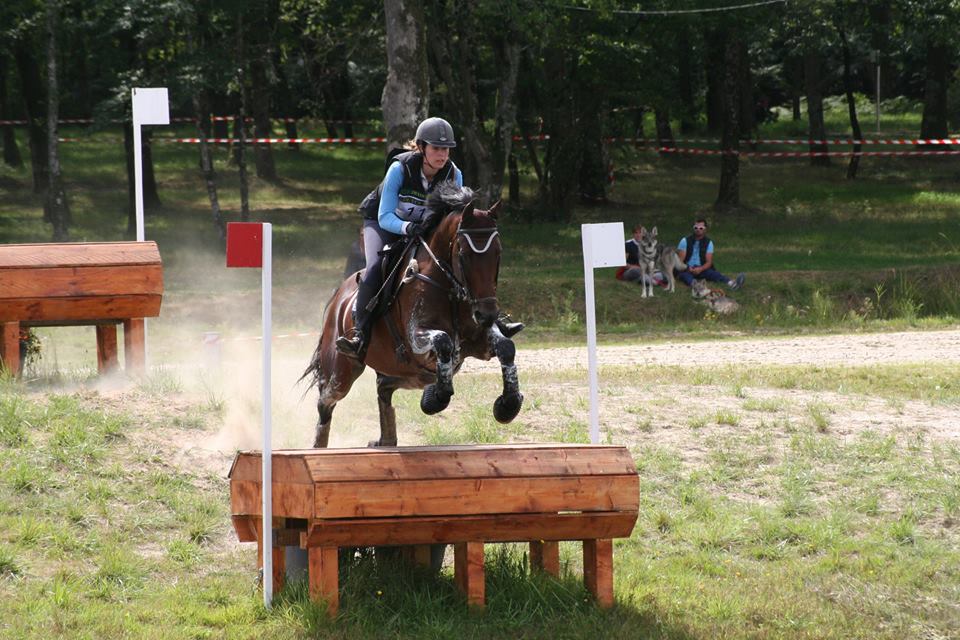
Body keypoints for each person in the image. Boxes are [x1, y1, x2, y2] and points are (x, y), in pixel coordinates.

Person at [336, 117, 522, 359]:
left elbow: (452, 219)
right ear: (421, 147)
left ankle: (490, 322)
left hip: (422, 228)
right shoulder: (400, 169)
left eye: (446, 149)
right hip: (383, 224)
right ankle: (359, 335)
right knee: (374, 268)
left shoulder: (453, 174)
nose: (442, 154)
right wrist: (407, 228)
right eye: (436, 148)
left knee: (461, 266)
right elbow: (385, 216)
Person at [676, 218, 745, 290]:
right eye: (696, 227)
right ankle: (696, 286)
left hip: (701, 268)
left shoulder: (709, 243)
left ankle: (732, 283)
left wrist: (700, 269)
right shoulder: (685, 241)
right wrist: (688, 268)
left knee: (715, 274)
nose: (698, 229)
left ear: (705, 229)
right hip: (687, 269)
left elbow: (709, 262)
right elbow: (680, 261)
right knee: (685, 276)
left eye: (701, 228)